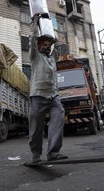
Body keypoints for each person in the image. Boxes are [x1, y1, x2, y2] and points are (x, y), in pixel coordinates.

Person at [27, 14, 68, 164]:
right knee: (36, 127)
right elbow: (31, 41)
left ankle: (53, 153)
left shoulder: (52, 58)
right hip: (38, 95)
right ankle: (36, 155)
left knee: (59, 115)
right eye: (43, 44)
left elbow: (57, 47)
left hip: (53, 95)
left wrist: (54, 36)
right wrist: (35, 24)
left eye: (48, 45)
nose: (46, 46)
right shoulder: (34, 56)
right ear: (39, 46)